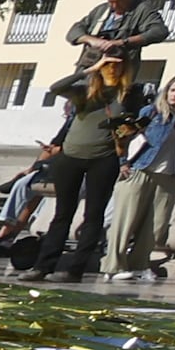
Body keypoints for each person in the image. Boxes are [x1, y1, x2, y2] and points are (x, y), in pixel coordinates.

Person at [23, 55, 136, 277]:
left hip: (103, 158)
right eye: (107, 65)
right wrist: (90, 69)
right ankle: (43, 266)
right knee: (62, 212)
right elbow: (56, 87)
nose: (111, 69)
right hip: (71, 156)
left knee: (93, 214)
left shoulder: (130, 94)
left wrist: (125, 131)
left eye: (116, 65)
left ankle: (76, 269)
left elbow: (133, 126)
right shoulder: (85, 92)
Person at [110, 70, 175, 274]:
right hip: (140, 169)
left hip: (169, 175)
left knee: (156, 226)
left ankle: (138, 265)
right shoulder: (150, 112)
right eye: (172, 89)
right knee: (125, 222)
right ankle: (114, 267)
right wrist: (123, 162)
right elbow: (123, 137)